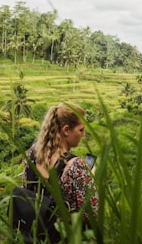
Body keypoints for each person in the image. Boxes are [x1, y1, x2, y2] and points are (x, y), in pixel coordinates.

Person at [22, 102, 98, 241]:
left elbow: (26, 189)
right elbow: (91, 215)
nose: (83, 134)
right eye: (81, 130)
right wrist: (90, 177)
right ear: (66, 130)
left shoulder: (33, 152)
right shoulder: (75, 166)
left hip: (33, 234)